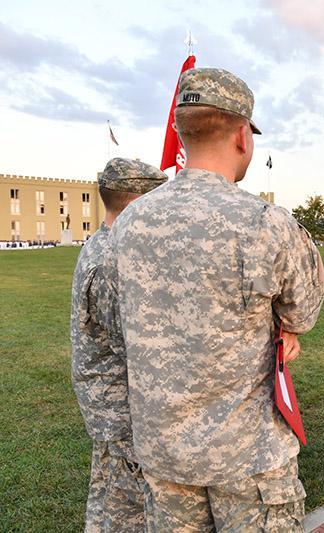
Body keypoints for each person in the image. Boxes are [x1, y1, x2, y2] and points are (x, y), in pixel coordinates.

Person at [105, 67, 324, 530]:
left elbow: (115, 321)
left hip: (164, 455)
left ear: (182, 132)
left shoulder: (128, 224)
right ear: (242, 136)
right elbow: (303, 310)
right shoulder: (265, 223)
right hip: (248, 457)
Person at [70, 157, 167, 532]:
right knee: (129, 513)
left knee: (108, 499)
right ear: (136, 206)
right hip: (121, 410)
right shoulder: (112, 261)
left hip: (111, 408)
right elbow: (136, 348)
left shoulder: (105, 246)